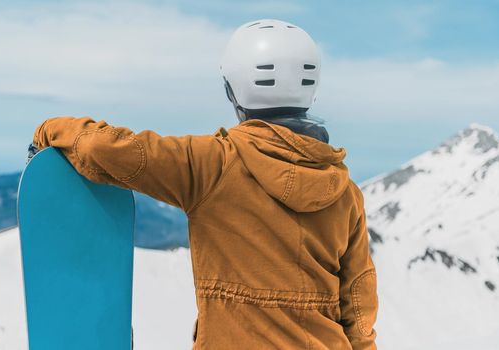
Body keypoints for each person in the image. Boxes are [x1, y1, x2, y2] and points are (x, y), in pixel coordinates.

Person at [31, 19, 378, 350]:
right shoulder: (345, 192)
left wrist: (47, 132)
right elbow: (359, 306)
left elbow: (104, 149)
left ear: (233, 89)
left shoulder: (212, 164)